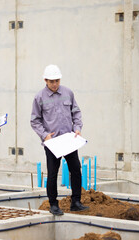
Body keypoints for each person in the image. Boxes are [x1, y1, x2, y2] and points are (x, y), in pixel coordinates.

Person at [30, 64, 89, 215]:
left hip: (69, 140)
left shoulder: (68, 93)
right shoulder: (39, 97)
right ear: (45, 80)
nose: (55, 84)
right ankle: (53, 204)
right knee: (52, 173)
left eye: (57, 80)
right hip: (52, 143)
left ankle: (76, 201)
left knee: (76, 170)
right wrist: (45, 135)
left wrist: (77, 128)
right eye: (51, 81)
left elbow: (76, 112)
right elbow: (35, 120)